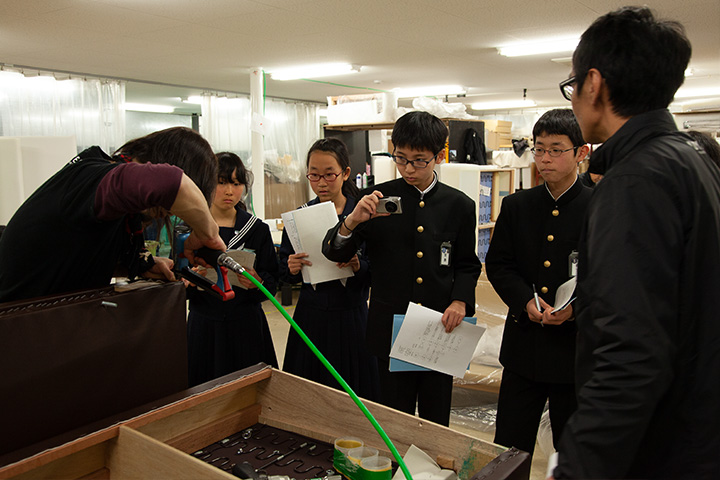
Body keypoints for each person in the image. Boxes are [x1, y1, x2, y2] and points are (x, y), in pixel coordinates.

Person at [552, 6, 720, 479]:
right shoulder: (693, 157)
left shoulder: (635, 181)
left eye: (572, 86)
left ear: (594, 85)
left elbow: (630, 354)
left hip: (665, 447)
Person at [322, 111, 483, 426]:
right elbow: (334, 252)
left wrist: (460, 300)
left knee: (436, 419)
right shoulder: (377, 198)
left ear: (439, 156)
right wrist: (352, 220)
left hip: (440, 327)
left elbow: (466, 263)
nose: (408, 168)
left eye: (419, 160)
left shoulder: (458, 205)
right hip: (390, 330)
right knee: (394, 418)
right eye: (401, 158)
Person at [0, 127, 224, 303]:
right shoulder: (92, 177)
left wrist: (144, 264)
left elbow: (68, 256)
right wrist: (209, 233)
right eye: (167, 208)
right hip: (17, 332)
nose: (163, 213)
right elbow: (169, 182)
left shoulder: (117, 212)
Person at [485, 109, 591, 457]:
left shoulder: (599, 207)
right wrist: (524, 301)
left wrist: (576, 309)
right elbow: (499, 264)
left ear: (581, 152)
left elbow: (611, 275)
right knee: (509, 450)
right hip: (524, 349)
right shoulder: (517, 205)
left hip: (574, 354)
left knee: (572, 452)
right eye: (539, 149)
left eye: (556, 149)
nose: (545, 158)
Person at [279, 138, 379, 400]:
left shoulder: (363, 215)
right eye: (314, 175)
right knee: (309, 391)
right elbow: (282, 268)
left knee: (354, 388)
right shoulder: (300, 216)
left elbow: (376, 272)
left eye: (329, 175)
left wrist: (358, 265)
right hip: (311, 314)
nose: (321, 183)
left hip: (351, 314)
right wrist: (290, 267)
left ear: (345, 173)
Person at [186, 152, 279, 387]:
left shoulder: (256, 229)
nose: (229, 191)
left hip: (245, 324)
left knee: (248, 392)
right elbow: (176, 276)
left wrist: (257, 281)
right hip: (205, 325)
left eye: (236, 184)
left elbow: (272, 281)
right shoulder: (190, 227)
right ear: (207, 183)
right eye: (222, 182)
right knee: (202, 389)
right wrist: (189, 281)